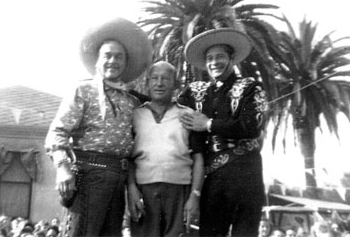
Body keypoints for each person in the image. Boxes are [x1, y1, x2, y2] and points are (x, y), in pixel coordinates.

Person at [45, 17, 151, 237]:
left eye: (118, 57)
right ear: (97, 60)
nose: (113, 61)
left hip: (118, 180)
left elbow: (132, 151)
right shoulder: (83, 91)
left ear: (125, 62)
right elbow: (57, 133)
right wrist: (63, 168)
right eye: (108, 56)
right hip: (88, 176)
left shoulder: (132, 102)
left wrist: (131, 186)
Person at [177, 28, 268, 237]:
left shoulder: (250, 87)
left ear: (232, 58)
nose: (214, 62)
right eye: (210, 58)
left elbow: (252, 127)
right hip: (212, 181)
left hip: (246, 173)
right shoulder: (195, 92)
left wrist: (208, 124)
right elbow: (169, 107)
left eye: (220, 56)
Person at [127, 61, 204, 237]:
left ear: (175, 84)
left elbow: (199, 158)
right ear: (147, 83)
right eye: (154, 78)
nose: (159, 83)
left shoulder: (189, 115)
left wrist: (195, 195)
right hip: (143, 192)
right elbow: (128, 158)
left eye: (165, 79)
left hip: (180, 192)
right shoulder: (135, 115)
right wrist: (131, 188)